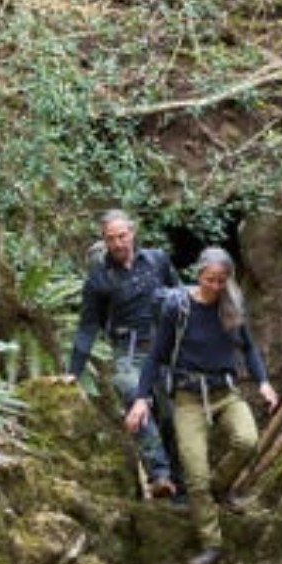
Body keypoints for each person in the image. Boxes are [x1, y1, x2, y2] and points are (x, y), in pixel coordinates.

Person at [125, 247, 278, 564]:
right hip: (189, 398)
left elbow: (248, 348)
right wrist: (141, 398)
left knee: (247, 441)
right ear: (198, 275)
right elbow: (155, 357)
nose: (215, 287)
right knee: (194, 476)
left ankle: (218, 488)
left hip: (226, 392)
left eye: (221, 281)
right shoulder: (177, 308)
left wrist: (263, 382)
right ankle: (212, 545)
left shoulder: (232, 305)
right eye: (209, 280)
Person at [68, 209, 181, 499]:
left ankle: (179, 486)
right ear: (104, 241)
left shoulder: (157, 261)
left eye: (122, 236)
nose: (118, 243)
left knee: (171, 415)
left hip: (165, 348)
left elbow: (180, 296)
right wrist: (73, 371)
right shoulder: (99, 280)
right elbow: (88, 326)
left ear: (132, 232)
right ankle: (159, 475)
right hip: (128, 353)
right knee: (134, 395)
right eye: (111, 239)